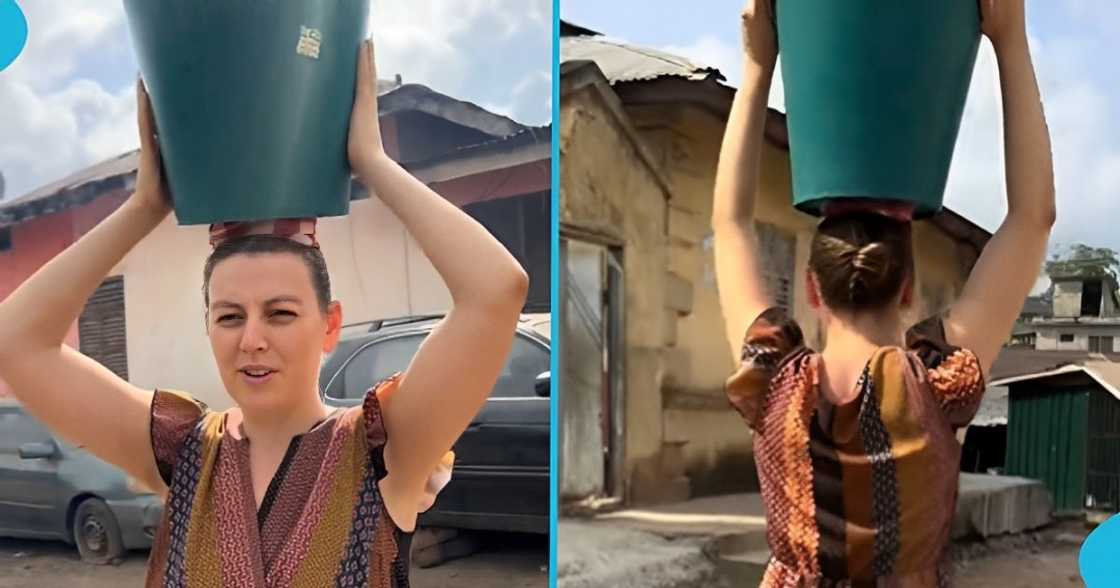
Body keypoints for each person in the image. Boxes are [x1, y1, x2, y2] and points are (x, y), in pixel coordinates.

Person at [0, 39, 528, 587]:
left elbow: (496, 290)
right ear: (207, 326)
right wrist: (142, 208)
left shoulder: (381, 450)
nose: (251, 339)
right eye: (229, 317)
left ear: (329, 325)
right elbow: (16, 341)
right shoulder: (184, 455)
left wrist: (373, 164)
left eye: (279, 314)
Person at [713, 0, 1055, 585]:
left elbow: (729, 224)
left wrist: (756, 65)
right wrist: (1009, 40)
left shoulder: (774, 384)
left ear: (812, 290)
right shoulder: (937, 385)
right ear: (908, 288)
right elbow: (1033, 218)